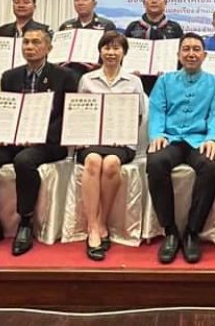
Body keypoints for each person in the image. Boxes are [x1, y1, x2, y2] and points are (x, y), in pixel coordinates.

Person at [0, 27, 78, 257]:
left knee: (24, 161)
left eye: (36, 42)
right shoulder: (9, 76)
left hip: (47, 143)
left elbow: (67, 115)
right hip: (13, 140)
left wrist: (39, 136)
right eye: (26, 42)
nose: (30, 47)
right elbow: (3, 110)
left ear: (49, 48)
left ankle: (25, 222)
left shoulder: (65, 76)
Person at [146, 33, 215, 264]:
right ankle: (170, 231)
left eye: (196, 49)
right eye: (186, 49)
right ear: (178, 54)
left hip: (199, 140)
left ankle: (192, 232)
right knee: (156, 161)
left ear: (204, 55)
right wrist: (157, 135)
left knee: (211, 165)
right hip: (171, 138)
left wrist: (213, 139)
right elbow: (157, 110)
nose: (191, 54)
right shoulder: (165, 81)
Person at [75, 32, 147, 261]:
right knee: (93, 161)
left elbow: (139, 115)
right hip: (92, 140)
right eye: (107, 48)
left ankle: (102, 221)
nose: (111, 52)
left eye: (116, 48)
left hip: (121, 141)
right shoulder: (87, 79)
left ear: (124, 52)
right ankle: (93, 227)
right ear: (100, 51)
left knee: (111, 164)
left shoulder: (133, 81)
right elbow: (79, 111)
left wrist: (123, 132)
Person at [125, 0, 184, 95]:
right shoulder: (133, 27)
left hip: (168, 84)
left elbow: (182, 57)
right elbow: (123, 55)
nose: (154, 1)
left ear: (165, 2)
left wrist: (173, 73)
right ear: (144, 2)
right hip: (138, 83)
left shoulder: (175, 28)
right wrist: (129, 71)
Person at [58, 0, 116, 77]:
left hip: (98, 75)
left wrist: (101, 66)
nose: (80, 3)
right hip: (69, 75)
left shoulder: (106, 25)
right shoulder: (66, 26)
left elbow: (114, 51)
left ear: (94, 4)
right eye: (76, 0)